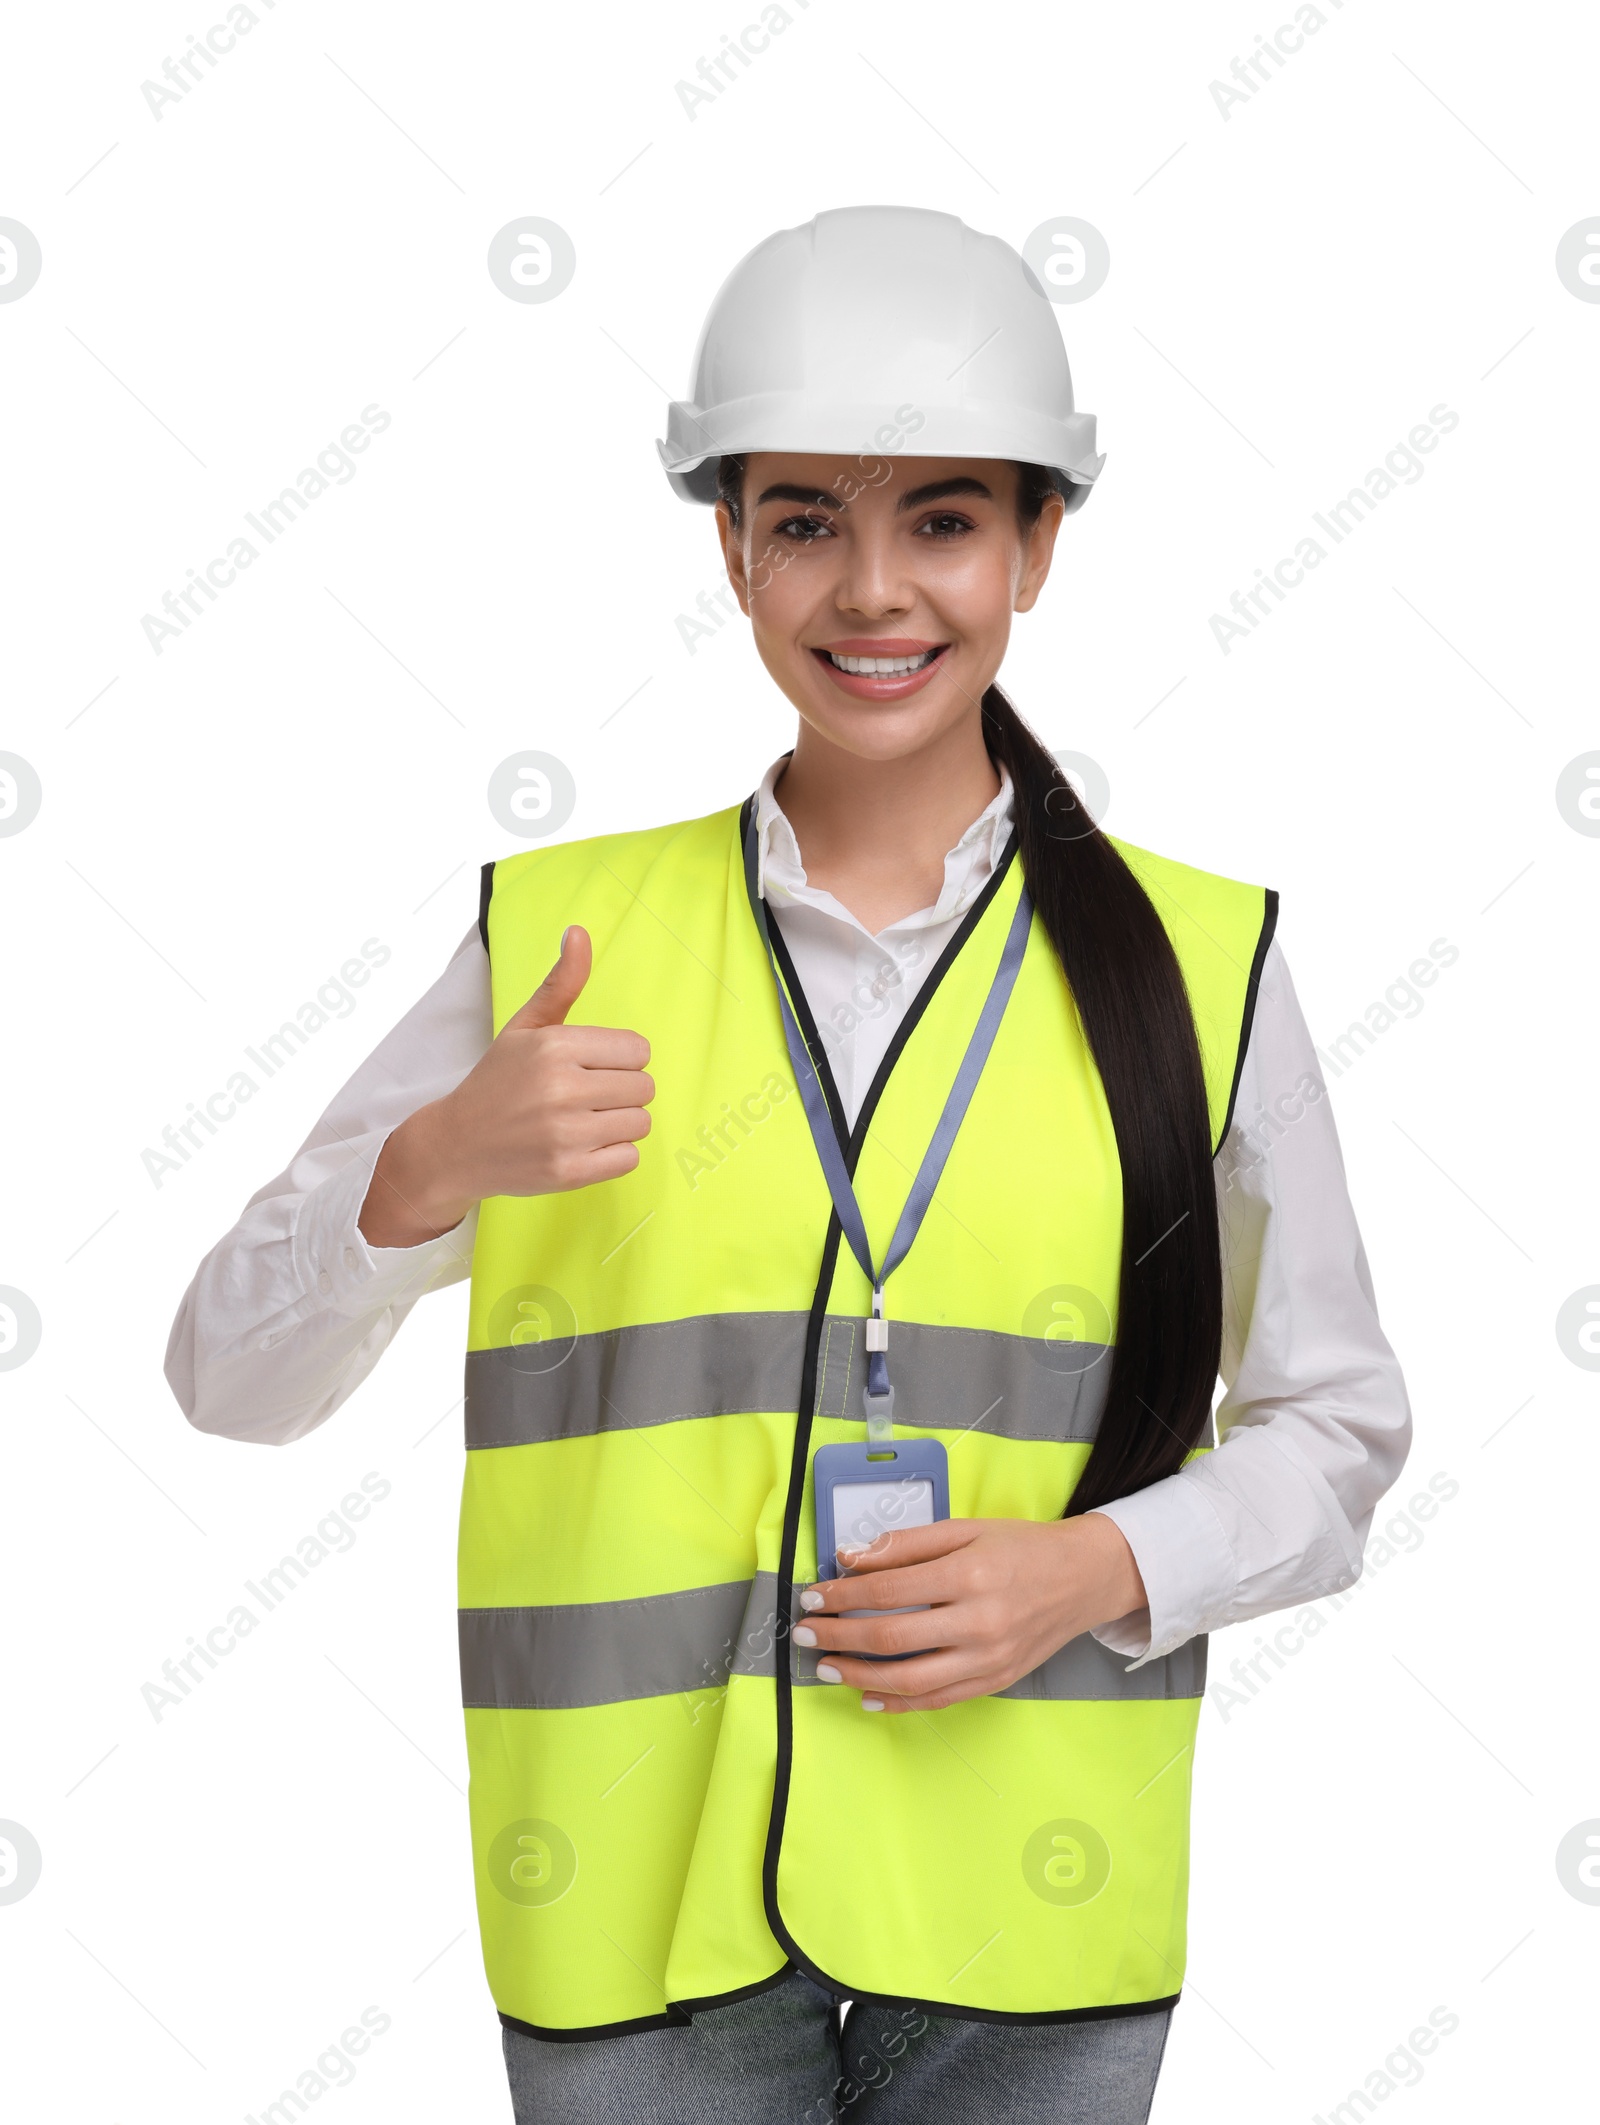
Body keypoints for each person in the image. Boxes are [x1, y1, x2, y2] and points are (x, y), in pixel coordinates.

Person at [167, 206, 1413, 2124]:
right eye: (809, 519)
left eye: (942, 518)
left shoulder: (1201, 963)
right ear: (731, 548)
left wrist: (1098, 1564)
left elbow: (1339, 1428)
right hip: (633, 1924)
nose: (874, 589)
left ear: (1037, 547)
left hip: (1031, 1919)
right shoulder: (555, 941)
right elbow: (224, 1381)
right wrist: (424, 1167)